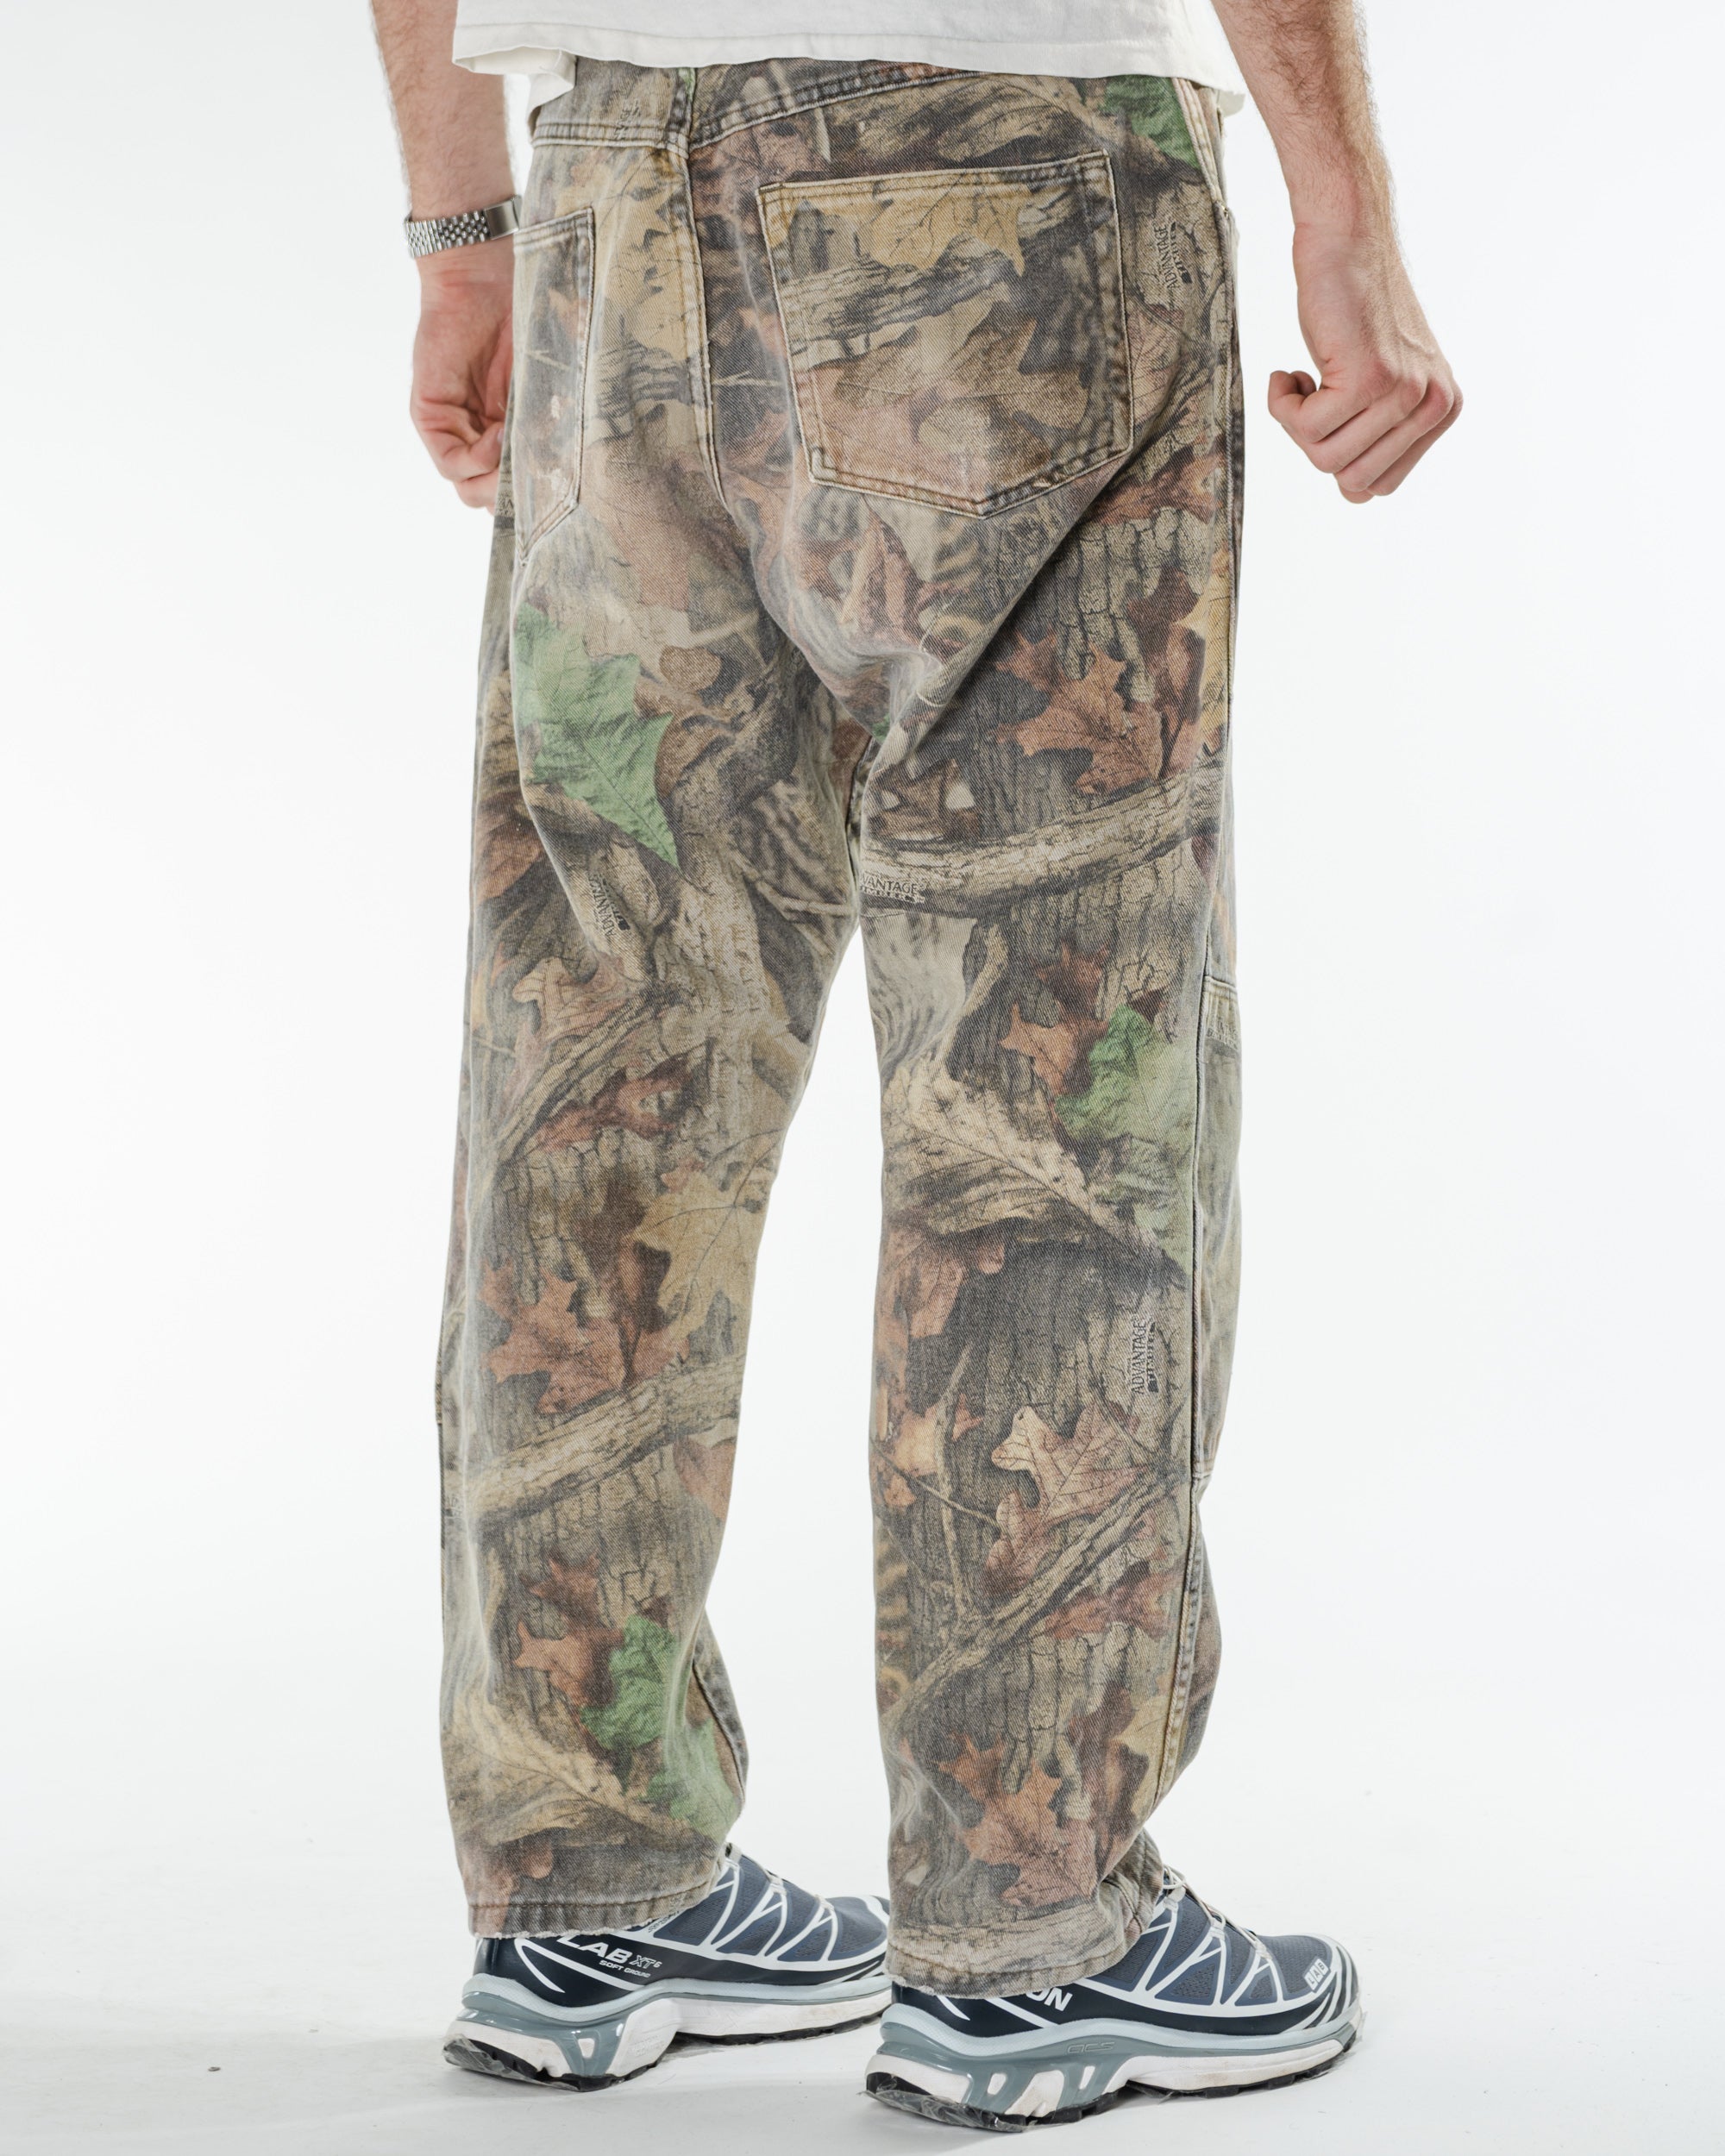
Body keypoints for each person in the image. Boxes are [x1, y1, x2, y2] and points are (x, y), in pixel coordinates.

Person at [372, 0, 1457, 2128]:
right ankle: (1033, 1931)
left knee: (600, 1061)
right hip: (1008, 159)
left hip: (611, 181)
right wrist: (1345, 209)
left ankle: (586, 1880)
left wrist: (461, 229)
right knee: (1051, 1063)